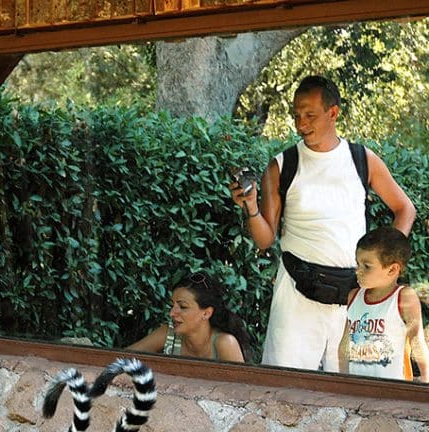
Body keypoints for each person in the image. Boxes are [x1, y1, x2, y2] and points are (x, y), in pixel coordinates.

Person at [229, 75, 415, 371]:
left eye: (310, 115)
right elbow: (265, 240)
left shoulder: (361, 159)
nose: (301, 124)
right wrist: (251, 207)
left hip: (353, 299)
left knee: (353, 396)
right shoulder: (282, 165)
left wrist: (384, 261)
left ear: (333, 113)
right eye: (297, 116)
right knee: (284, 392)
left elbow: (405, 208)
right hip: (296, 298)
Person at [338, 226, 428, 383]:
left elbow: (416, 341)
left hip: (393, 392)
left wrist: (426, 380)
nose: (358, 271)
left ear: (392, 270)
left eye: (366, 266)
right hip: (358, 388)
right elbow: (345, 346)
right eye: (358, 264)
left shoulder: (403, 297)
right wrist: (345, 380)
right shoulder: (353, 297)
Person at [127, 272, 252, 363]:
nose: (172, 313)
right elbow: (120, 359)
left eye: (183, 306)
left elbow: (242, 391)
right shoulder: (168, 334)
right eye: (172, 305)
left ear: (206, 313)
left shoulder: (225, 343)